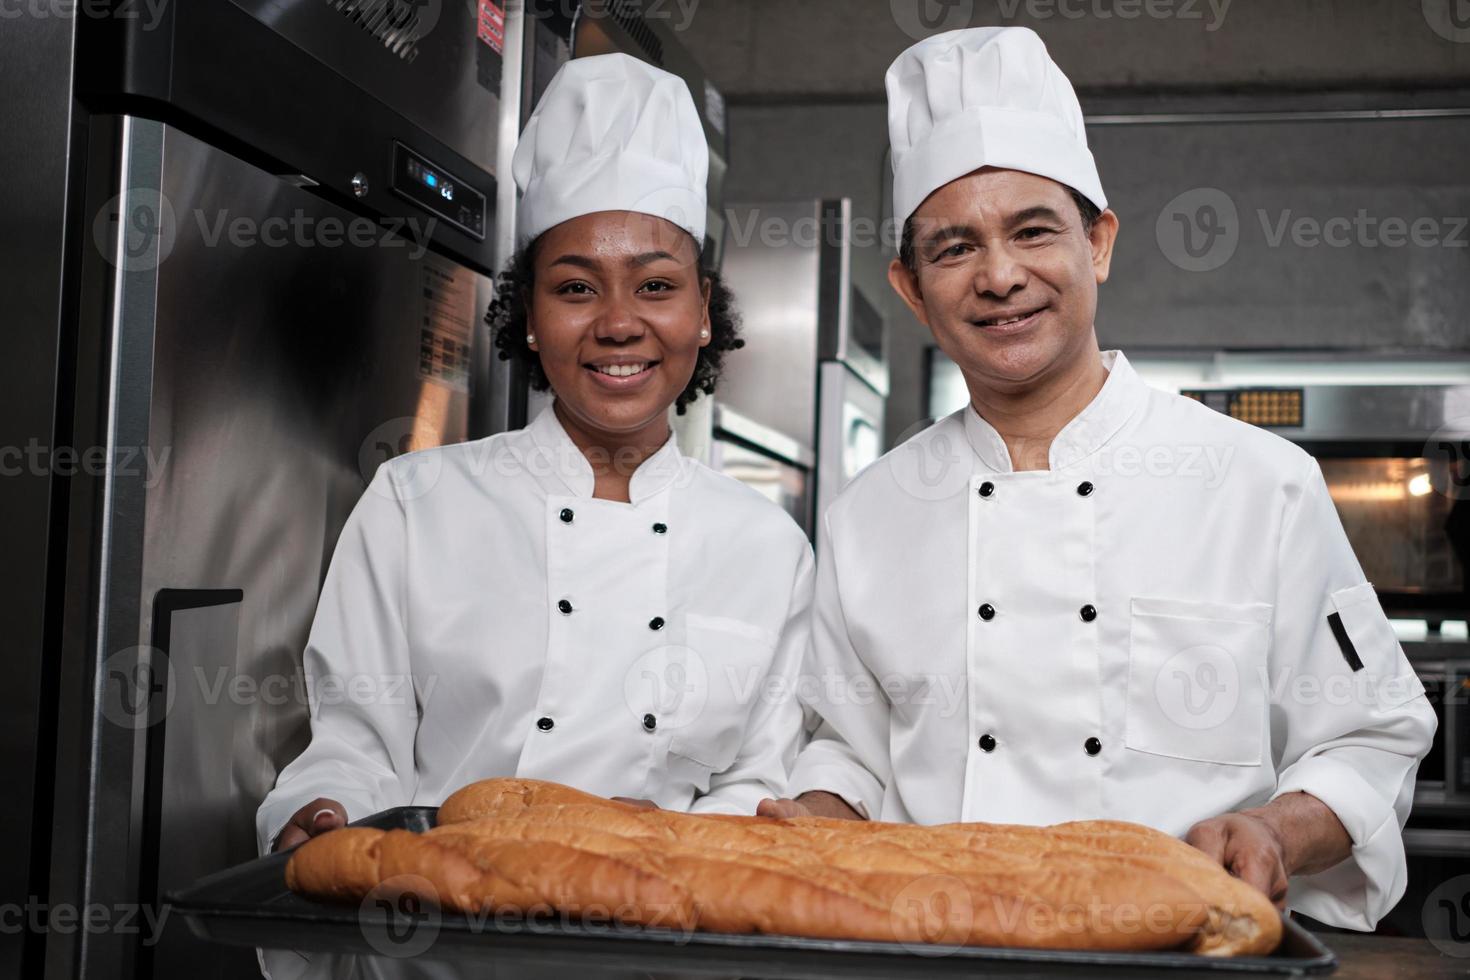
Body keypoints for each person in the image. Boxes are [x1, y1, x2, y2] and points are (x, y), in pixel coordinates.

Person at [759, 26, 1435, 931]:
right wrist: (812, 817)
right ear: (912, 289)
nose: (1001, 277)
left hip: (1188, 948)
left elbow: (1370, 735)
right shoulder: (869, 514)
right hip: (939, 951)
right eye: (955, 248)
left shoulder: (1259, 483)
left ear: (1100, 243)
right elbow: (848, 751)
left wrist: (1276, 828)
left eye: (1033, 232)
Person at [257, 53, 812, 855]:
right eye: (577, 288)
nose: (619, 323)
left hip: (661, 941)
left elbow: (760, 780)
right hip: (439, 939)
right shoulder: (417, 502)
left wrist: (667, 850)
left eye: (656, 286)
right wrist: (320, 813)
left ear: (702, 314)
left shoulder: (768, 548)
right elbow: (354, 745)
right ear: (525, 317)